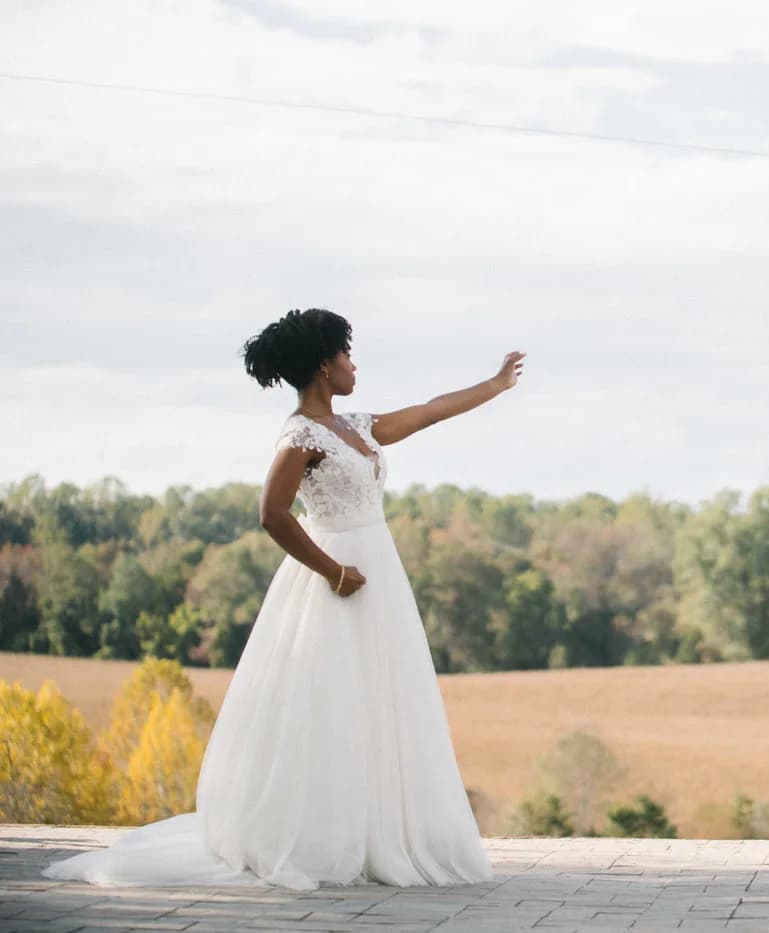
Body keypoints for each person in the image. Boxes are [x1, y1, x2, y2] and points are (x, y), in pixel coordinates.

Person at [45, 308, 523, 889]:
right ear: (325, 365)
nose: (354, 364)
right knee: (327, 703)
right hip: (337, 576)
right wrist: (332, 572)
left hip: (379, 570)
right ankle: (318, 835)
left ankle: (378, 833)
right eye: (346, 355)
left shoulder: (355, 426)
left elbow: (428, 411)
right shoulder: (300, 436)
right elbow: (272, 515)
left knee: (380, 699)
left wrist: (495, 386)